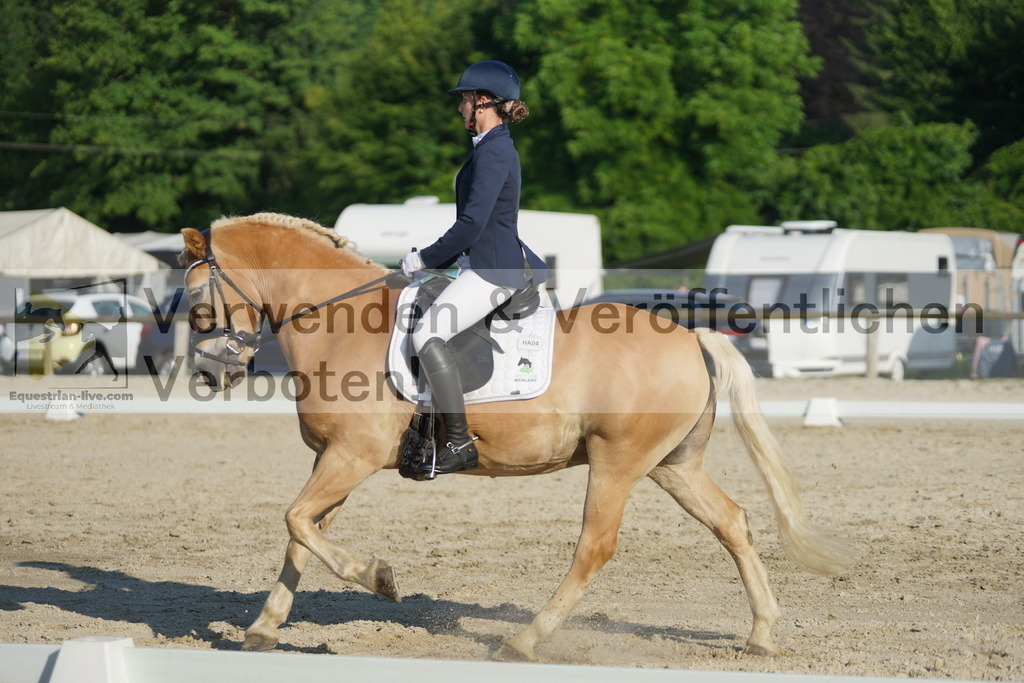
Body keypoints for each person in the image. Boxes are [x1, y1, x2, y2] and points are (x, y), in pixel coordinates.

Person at [400, 60, 552, 476]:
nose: (460, 107)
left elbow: (472, 224)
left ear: (482, 101)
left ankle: (458, 440)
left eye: (465, 99)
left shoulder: (495, 151)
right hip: (480, 264)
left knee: (426, 334)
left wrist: (425, 258)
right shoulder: (490, 147)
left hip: (493, 271)